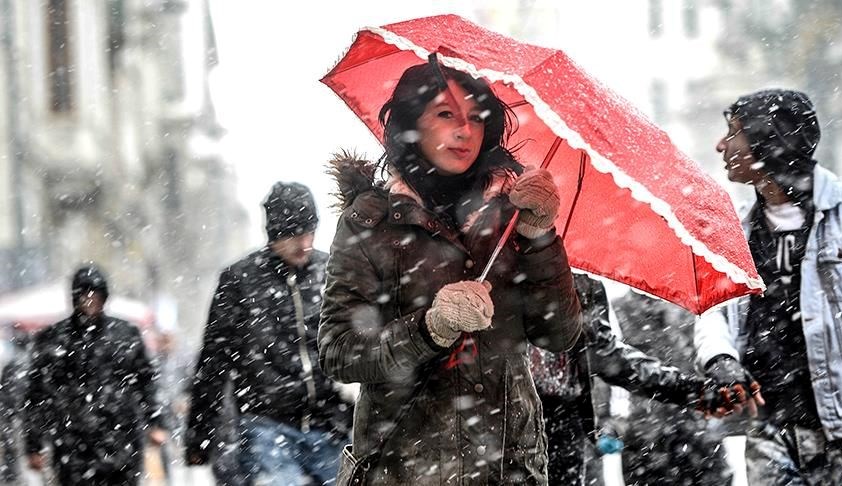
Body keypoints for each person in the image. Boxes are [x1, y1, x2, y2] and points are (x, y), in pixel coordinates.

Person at [319, 59, 583, 484]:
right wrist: (430, 329)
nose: (465, 130)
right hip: (404, 468)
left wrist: (540, 236)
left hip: (507, 469)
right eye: (446, 115)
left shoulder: (511, 215)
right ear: (411, 125)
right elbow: (340, 352)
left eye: (477, 118)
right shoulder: (370, 222)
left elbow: (560, 334)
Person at [695, 89, 842, 484]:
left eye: (733, 133)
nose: (721, 145)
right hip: (772, 430)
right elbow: (714, 307)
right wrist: (721, 360)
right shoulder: (738, 232)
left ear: (770, 139)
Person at [185, 182, 351, 485]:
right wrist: (199, 434)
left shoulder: (330, 271)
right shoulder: (240, 281)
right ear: (275, 234)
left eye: (310, 232)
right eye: (295, 234)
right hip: (265, 425)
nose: (305, 243)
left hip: (329, 423)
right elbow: (214, 360)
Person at [530, 276, 708, 485]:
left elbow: (603, 355)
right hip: (505, 419)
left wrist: (686, 388)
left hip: (567, 424)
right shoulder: (491, 261)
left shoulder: (580, 274)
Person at [24, 265, 167, 485]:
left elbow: (145, 381)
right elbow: (36, 395)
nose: (90, 300)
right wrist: (33, 444)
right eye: (84, 295)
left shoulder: (125, 335)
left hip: (121, 440)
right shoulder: (53, 339)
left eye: (95, 294)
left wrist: (155, 421)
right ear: (75, 297)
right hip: (72, 445)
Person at [612, 290, 732, 486]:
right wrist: (606, 418)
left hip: (697, 423)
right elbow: (606, 366)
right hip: (647, 430)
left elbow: (708, 347)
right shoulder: (620, 308)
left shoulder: (690, 304)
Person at [0, 327, 29, 484]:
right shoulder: (27, 361)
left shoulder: (14, 363)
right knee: (15, 445)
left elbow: (4, 388)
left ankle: (12, 475)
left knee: (12, 446)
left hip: (12, 412)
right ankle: (14, 475)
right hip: (20, 412)